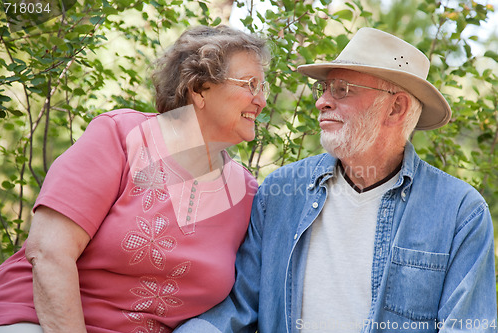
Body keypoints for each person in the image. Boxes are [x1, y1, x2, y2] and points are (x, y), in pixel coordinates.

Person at [174, 28, 497, 333]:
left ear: (396, 107)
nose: (322, 101)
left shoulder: (459, 213)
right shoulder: (280, 193)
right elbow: (237, 309)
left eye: (342, 90)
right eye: (324, 88)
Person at [0, 25, 270, 333]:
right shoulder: (120, 136)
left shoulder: (246, 194)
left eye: (263, 88)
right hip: (38, 322)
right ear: (199, 89)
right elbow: (49, 251)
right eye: (250, 84)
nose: (261, 101)